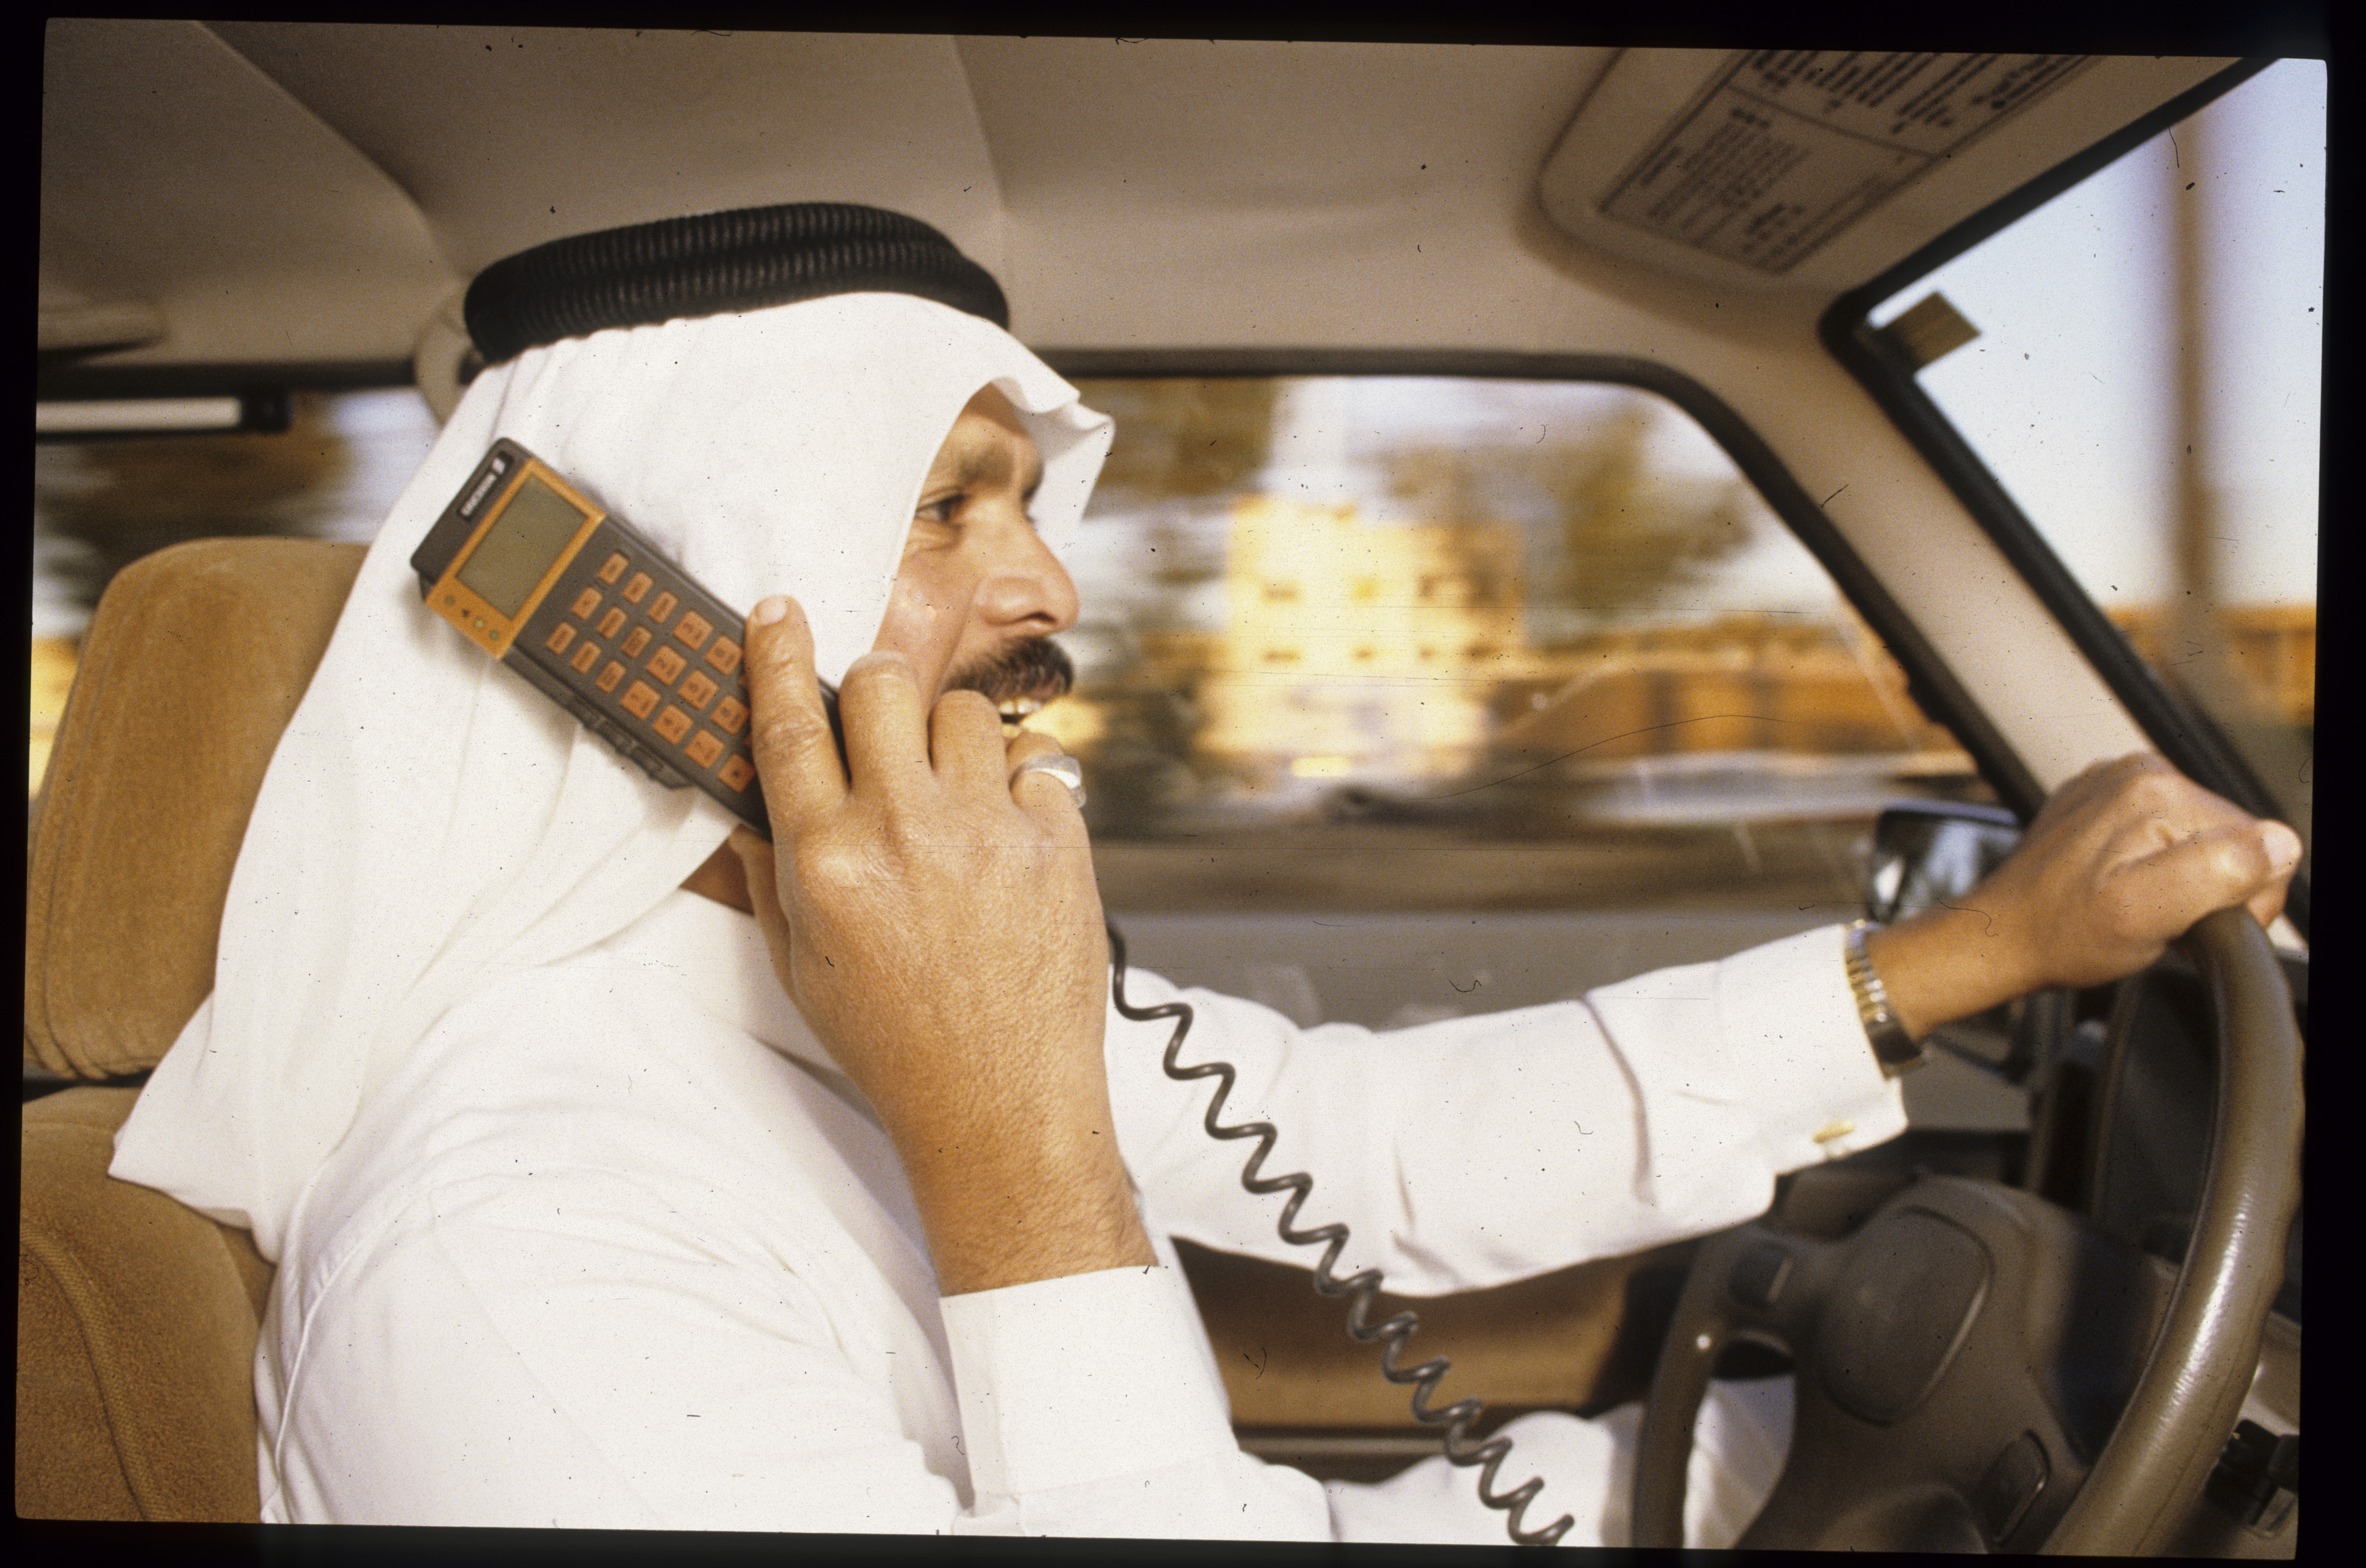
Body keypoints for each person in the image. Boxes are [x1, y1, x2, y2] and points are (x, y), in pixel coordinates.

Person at [110, 204, 2300, 1544]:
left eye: (1023, 502)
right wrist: (1013, 1147)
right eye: (941, 508)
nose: (1052, 585)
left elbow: (1359, 1144)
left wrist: (1976, 952)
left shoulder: (823, 977)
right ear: (672, 613)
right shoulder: (508, 1260)